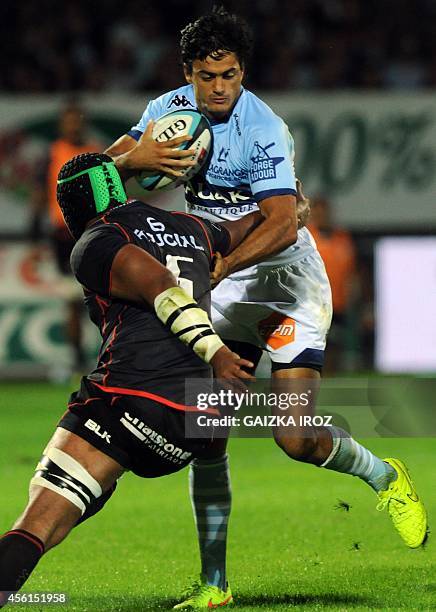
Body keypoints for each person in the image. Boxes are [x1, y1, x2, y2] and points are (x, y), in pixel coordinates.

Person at [104, 7, 427, 609]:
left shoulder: (265, 129)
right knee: (207, 430)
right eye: (206, 76)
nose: (219, 88)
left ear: (242, 71)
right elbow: (95, 181)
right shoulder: (165, 115)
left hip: (284, 288)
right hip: (224, 288)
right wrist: (129, 163)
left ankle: (386, 477)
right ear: (188, 73)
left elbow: (282, 224)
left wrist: (218, 267)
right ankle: (214, 585)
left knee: (294, 438)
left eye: (228, 75)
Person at [0, 152, 267, 607]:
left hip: (131, 403)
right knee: (79, 492)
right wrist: (285, 201)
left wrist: (216, 351)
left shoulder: (97, 243)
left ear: (71, 207)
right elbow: (256, 222)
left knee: (36, 524)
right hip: (194, 425)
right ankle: (210, 576)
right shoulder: (192, 226)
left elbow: (163, 289)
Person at [30, 103, 101, 375]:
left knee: (102, 298)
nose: (73, 126)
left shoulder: (96, 152)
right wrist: (34, 231)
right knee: (72, 300)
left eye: (76, 121)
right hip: (63, 237)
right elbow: (39, 192)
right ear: (62, 124)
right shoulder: (52, 154)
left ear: (82, 122)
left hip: (95, 232)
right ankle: (77, 358)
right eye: (68, 121)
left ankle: (109, 355)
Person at [308, 194, 359, 373]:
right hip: (314, 306)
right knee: (317, 349)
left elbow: (352, 272)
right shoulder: (307, 238)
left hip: (339, 305)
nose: (322, 216)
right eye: (318, 212)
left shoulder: (342, 238)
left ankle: (332, 385)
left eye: (325, 212)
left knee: (336, 347)